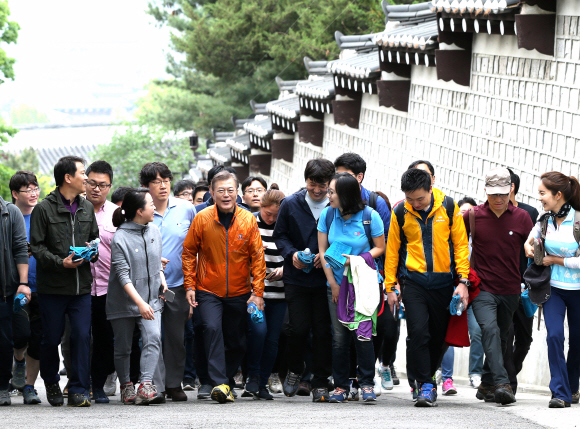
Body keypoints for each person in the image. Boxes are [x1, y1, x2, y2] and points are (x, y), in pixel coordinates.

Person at [384, 168, 470, 407]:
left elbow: (461, 246)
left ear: (430, 188)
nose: (415, 204)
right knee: (419, 332)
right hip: (414, 283)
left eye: (420, 199)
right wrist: (391, 286)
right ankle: (426, 385)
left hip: (444, 284)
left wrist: (463, 282)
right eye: (410, 199)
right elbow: (392, 252)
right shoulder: (400, 211)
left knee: (439, 338)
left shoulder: (450, 208)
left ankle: (426, 378)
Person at [182, 170, 267, 403]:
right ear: (212, 192)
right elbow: (189, 252)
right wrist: (190, 285)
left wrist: (257, 292)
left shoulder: (248, 219)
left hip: (240, 291)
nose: (226, 195)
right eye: (221, 190)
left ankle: (224, 380)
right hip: (208, 288)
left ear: (237, 192)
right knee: (210, 328)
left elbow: (258, 257)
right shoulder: (203, 218)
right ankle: (217, 382)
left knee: (237, 341)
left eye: (230, 190)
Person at [30, 156, 99, 407]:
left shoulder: (87, 207)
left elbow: (94, 239)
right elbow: (36, 247)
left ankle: (79, 387)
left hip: (81, 287)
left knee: (82, 336)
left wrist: (92, 251)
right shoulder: (43, 209)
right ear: (68, 178)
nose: (87, 178)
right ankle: (50, 381)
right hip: (53, 289)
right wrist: (61, 262)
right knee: (51, 337)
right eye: (82, 173)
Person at [463, 167, 533, 406]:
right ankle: (502, 384)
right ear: (486, 191)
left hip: (511, 289)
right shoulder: (472, 215)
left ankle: (486, 383)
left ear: (510, 190)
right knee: (489, 330)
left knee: (501, 337)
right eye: (494, 194)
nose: (499, 199)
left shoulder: (523, 217)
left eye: (503, 193)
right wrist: (462, 280)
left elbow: (533, 249)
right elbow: (458, 247)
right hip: (483, 288)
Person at [318, 173, 385, 403]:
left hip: (363, 285)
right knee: (339, 338)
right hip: (336, 286)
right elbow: (322, 253)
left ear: (346, 194)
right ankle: (341, 386)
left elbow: (379, 248)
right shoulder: (327, 214)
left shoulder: (370, 216)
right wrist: (334, 284)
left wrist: (356, 260)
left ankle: (366, 383)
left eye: (332, 192)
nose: (329, 196)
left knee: (363, 336)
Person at [273, 158, 335, 402]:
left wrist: (327, 255)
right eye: (312, 184)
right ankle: (295, 369)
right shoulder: (290, 203)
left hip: (325, 279)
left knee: (322, 332)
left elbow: (343, 236)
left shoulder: (335, 205)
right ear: (305, 180)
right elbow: (281, 235)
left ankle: (320, 381)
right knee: (297, 329)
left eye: (322, 185)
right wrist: (292, 254)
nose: (318, 190)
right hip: (296, 278)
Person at [334, 153, 394, 394]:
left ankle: (368, 376)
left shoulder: (374, 206)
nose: (338, 181)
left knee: (374, 330)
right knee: (343, 334)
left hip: (369, 280)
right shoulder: (332, 211)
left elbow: (387, 245)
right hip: (340, 281)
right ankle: (346, 381)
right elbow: (324, 243)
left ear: (359, 178)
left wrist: (390, 282)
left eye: (344, 176)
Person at [140, 162, 196, 401]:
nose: (162, 186)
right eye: (156, 181)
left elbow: (196, 247)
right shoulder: (140, 211)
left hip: (178, 285)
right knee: (152, 337)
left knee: (176, 338)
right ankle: (156, 386)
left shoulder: (186, 208)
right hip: (147, 286)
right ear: (146, 186)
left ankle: (174, 383)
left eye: (166, 180)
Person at [524, 172, 580, 408]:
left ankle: (572, 386)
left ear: (558, 195)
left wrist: (554, 260)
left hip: (578, 290)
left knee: (577, 340)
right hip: (553, 289)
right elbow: (529, 241)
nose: (540, 198)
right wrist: (529, 248)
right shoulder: (544, 219)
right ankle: (560, 392)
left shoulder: (578, 221)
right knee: (555, 335)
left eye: (542, 193)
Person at [107, 189, 167, 405]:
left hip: (151, 299)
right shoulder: (120, 237)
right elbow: (123, 275)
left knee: (153, 338)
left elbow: (156, 261)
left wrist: (162, 278)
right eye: (150, 204)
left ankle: (146, 385)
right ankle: (126, 386)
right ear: (139, 211)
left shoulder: (154, 230)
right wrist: (139, 302)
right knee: (123, 347)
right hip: (124, 301)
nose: (154, 207)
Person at [244, 184, 286, 400]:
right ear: (261, 206)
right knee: (258, 332)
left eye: (275, 216)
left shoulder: (286, 225)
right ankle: (251, 375)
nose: (271, 219)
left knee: (272, 340)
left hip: (280, 293)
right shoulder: (250, 221)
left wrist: (285, 268)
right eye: (268, 214)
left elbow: (296, 252)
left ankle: (262, 383)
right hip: (254, 292)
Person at [84, 161, 117, 403]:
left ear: (109, 186)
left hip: (109, 287)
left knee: (105, 340)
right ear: (84, 182)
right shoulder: (73, 211)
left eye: (102, 185)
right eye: (92, 183)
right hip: (80, 287)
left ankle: (98, 385)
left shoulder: (117, 213)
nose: (96, 189)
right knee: (80, 338)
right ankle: (79, 384)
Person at [503, 168, 539, 395]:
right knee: (504, 336)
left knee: (525, 339)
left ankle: (508, 373)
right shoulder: (490, 213)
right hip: (502, 285)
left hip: (526, 286)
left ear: (511, 187)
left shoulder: (529, 213)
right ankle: (506, 384)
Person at [8, 171, 42, 405]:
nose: (33, 194)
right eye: (27, 190)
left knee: (39, 339)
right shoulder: (7, 217)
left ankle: (29, 386)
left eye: (35, 189)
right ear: (14, 194)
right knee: (21, 334)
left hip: (44, 286)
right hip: (16, 287)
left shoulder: (43, 215)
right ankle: (18, 358)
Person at [0, 187, 29, 405]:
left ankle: (2, 386)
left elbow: (20, 248)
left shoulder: (10, 212)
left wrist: (22, 283)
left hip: (4, 289)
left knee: (5, 339)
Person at [457, 196, 484, 389]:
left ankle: (475, 372)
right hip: (455, 290)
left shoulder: (478, 240)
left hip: (475, 291)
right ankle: (441, 371)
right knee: (445, 331)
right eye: (462, 212)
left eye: (469, 212)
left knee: (476, 332)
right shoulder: (454, 238)